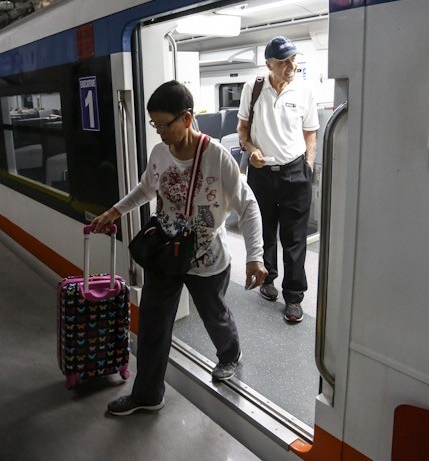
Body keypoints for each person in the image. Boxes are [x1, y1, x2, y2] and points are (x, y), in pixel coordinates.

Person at [91, 81, 267, 416]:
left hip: (206, 259)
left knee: (213, 315)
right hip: (165, 254)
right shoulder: (159, 154)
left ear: (186, 118)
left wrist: (255, 256)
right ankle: (147, 394)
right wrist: (115, 211)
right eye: (154, 125)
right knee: (153, 325)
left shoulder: (216, 156)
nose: (159, 133)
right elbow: (146, 189)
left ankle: (229, 353)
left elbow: (249, 206)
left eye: (164, 125)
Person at [236, 36, 319, 323]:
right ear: (269, 63)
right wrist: (251, 150)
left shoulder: (305, 90)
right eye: (283, 61)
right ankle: (267, 278)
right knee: (266, 231)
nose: (290, 65)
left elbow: (311, 132)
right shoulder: (254, 88)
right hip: (261, 173)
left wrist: (308, 165)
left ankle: (294, 296)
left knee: (294, 238)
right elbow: (242, 129)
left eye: (293, 59)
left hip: (295, 172)